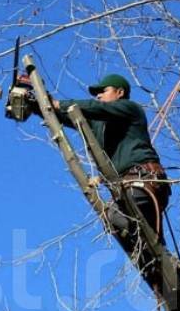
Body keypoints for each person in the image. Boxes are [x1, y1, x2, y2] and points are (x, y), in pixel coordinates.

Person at [39, 74, 171, 243]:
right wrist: (38, 105)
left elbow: (94, 108)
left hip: (143, 180)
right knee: (144, 245)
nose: (98, 95)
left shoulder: (130, 109)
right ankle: (158, 261)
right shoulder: (100, 124)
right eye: (97, 93)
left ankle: (147, 244)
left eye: (104, 91)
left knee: (114, 216)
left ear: (120, 92)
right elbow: (70, 117)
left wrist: (60, 104)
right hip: (128, 187)